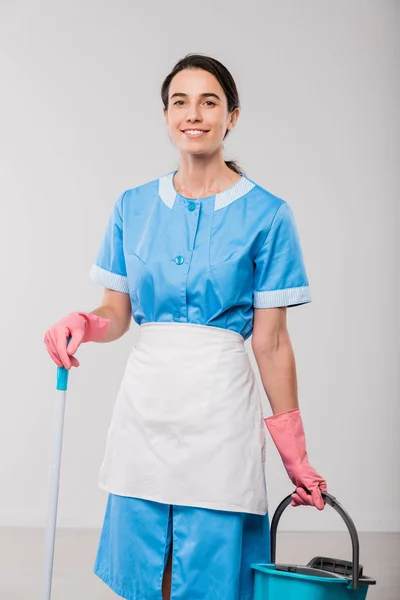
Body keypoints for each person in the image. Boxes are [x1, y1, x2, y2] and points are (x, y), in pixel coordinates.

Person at [44, 53, 327, 600]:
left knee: (211, 566)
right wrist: (84, 322)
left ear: (232, 116)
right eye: (180, 102)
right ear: (166, 115)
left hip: (220, 407)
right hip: (146, 405)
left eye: (209, 101)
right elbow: (116, 313)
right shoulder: (134, 206)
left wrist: (294, 451)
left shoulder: (268, 215)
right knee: (149, 562)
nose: (193, 114)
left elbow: (269, 341)